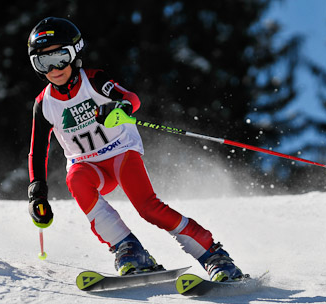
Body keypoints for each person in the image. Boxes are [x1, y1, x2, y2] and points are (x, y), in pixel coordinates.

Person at [26, 17, 244, 282]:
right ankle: (128, 249)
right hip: (88, 166)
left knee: (147, 207)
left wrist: (119, 108)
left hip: (121, 152)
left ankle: (212, 255)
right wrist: (37, 192)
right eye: (43, 62)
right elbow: (38, 151)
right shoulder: (44, 104)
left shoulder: (93, 81)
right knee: (76, 179)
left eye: (60, 57)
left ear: (75, 53)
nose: (54, 68)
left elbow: (131, 99)